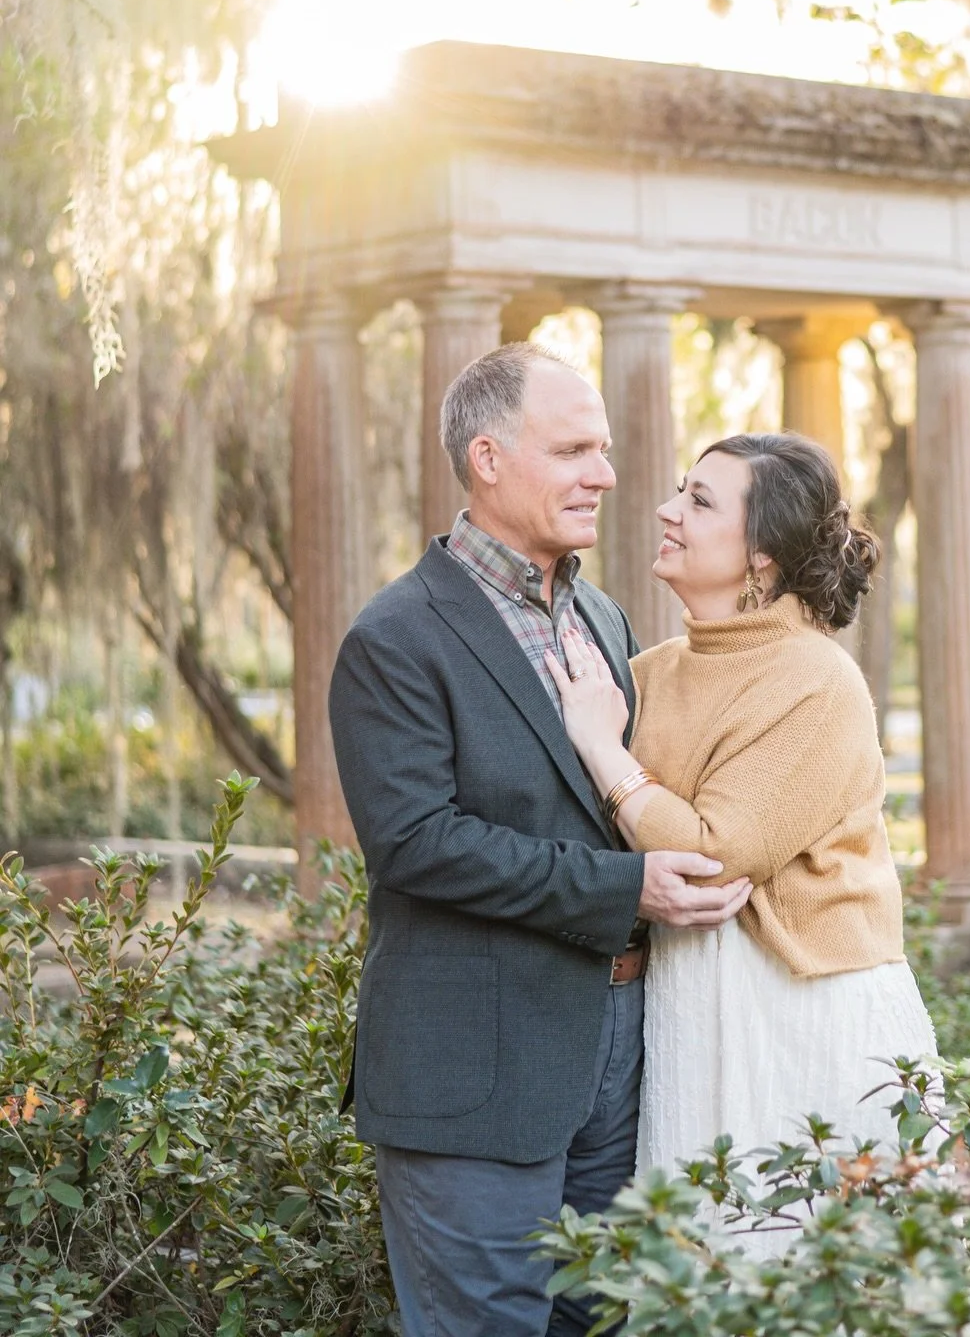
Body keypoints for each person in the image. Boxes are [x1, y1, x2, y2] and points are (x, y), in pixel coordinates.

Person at [328, 343, 752, 1337]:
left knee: (602, 1323)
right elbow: (419, 844)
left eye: (602, 449)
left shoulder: (602, 616)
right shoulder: (396, 637)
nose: (605, 474)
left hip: (616, 1062)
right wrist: (627, 890)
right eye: (572, 450)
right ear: (487, 458)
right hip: (474, 1077)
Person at [546, 429, 936, 1186]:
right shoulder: (650, 671)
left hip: (806, 1013)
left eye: (698, 500)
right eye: (678, 491)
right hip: (691, 1007)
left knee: (805, 1271)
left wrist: (603, 750)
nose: (666, 511)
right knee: (701, 1269)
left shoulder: (817, 681)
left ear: (762, 551)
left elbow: (713, 855)